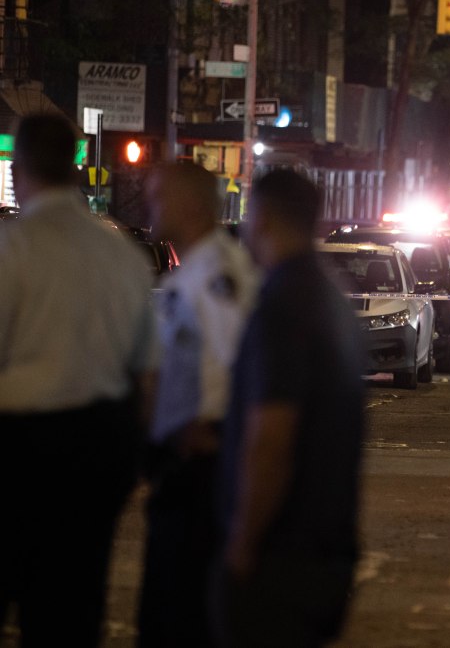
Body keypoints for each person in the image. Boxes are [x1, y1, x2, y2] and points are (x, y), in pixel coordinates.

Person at [0, 112, 157, 647]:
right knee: (72, 607)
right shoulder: (122, 257)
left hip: (18, 447)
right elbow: (148, 372)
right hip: (99, 449)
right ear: (75, 166)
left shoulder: (12, 250)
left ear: (19, 171)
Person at [215, 169, 365, 647]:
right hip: (327, 542)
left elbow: (271, 438)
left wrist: (243, 540)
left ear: (260, 218)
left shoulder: (280, 306)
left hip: (281, 553)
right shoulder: (330, 299)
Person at [138, 163, 260, 647]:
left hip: (202, 470)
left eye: (157, 196)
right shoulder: (194, 273)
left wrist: (207, 433)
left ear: (188, 205)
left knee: (181, 621)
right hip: (184, 466)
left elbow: (238, 370)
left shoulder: (217, 276)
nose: (149, 208)